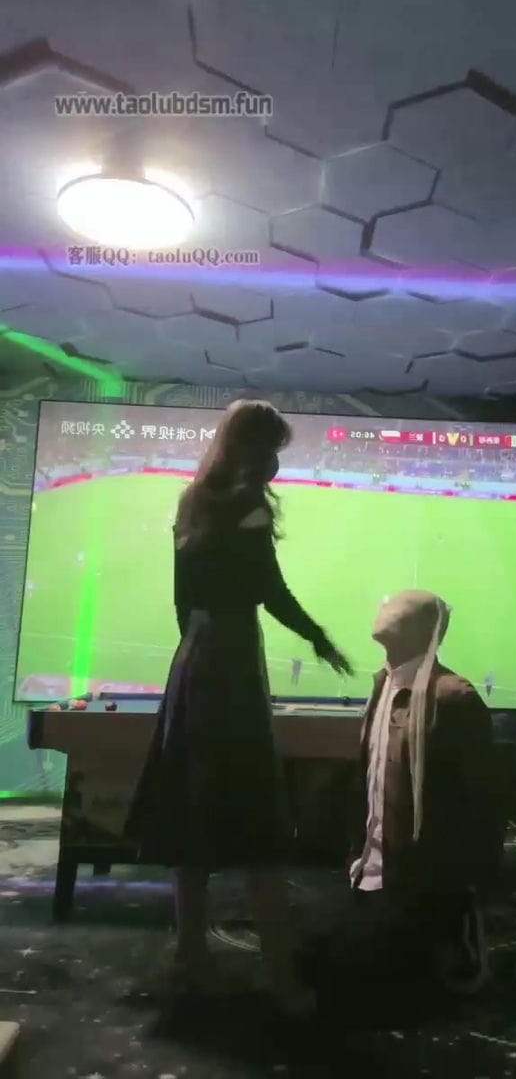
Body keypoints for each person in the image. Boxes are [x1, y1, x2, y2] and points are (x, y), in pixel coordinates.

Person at [125, 400, 352, 1013]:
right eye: (273, 448)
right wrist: (317, 636)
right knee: (258, 822)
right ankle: (280, 977)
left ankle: (191, 960)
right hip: (229, 663)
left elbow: (183, 598)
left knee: (191, 815)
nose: (276, 461)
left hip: (194, 660)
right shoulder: (249, 506)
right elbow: (268, 591)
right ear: (257, 449)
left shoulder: (192, 501)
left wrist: (194, 656)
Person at [302, 591, 505, 1015]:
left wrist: (468, 890)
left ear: (421, 628)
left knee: (353, 987)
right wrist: (357, 855)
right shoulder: (384, 684)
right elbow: (370, 784)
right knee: (312, 962)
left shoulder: (452, 697)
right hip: (373, 875)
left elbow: (484, 801)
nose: (385, 603)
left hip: (419, 885)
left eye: (396, 603)